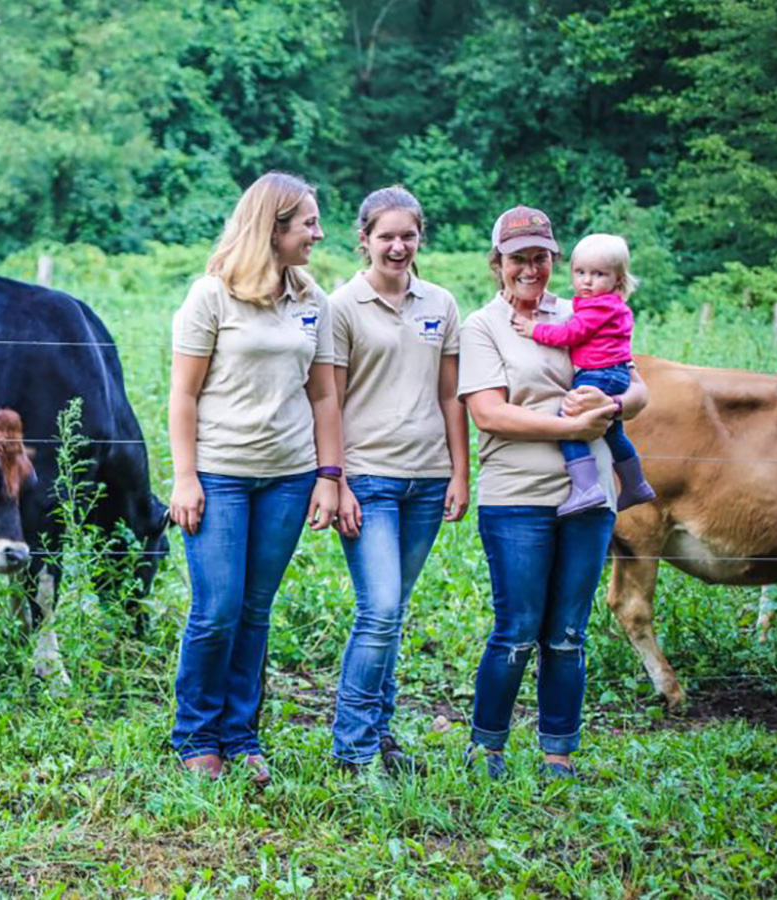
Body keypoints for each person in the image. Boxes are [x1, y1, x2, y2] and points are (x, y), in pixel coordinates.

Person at [458, 206, 650, 780]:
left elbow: (637, 387)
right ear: (499, 263)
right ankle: (487, 746)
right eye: (519, 257)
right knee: (516, 629)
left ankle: (558, 753)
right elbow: (490, 414)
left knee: (567, 633)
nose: (531, 268)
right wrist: (572, 428)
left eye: (541, 257)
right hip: (517, 496)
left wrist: (611, 407)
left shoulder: (584, 311)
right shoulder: (483, 326)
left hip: (588, 502)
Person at [168, 172, 343, 785]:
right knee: (216, 609)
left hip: (289, 479)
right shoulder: (210, 295)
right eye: (309, 225)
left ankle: (242, 736)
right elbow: (183, 396)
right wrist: (184, 477)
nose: (318, 234)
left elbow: (324, 397)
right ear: (274, 227)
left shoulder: (312, 300)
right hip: (220, 476)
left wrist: (329, 476)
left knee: (255, 610)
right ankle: (195, 734)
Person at [327, 186, 468, 775]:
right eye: (385, 235)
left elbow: (450, 394)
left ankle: (381, 737)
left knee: (395, 610)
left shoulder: (441, 303)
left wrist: (461, 471)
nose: (397, 245)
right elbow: (327, 401)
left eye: (407, 235)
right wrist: (335, 481)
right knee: (379, 609)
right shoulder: (342, 306)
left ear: (420, 238)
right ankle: (353, 750)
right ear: (364, 240)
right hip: (368, 480)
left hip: (428, 480)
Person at [511, 233, 656, 515]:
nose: (587, 281)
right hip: (615, 373)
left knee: (568, 423)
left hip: (599, 373)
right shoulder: (610, 305)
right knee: (613, 431)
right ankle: (635, 483)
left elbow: (571, 333)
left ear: (618, 279)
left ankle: (585, 486)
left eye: (599, 274)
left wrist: (533, 330)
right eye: (580, 272)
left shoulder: (599, 306)